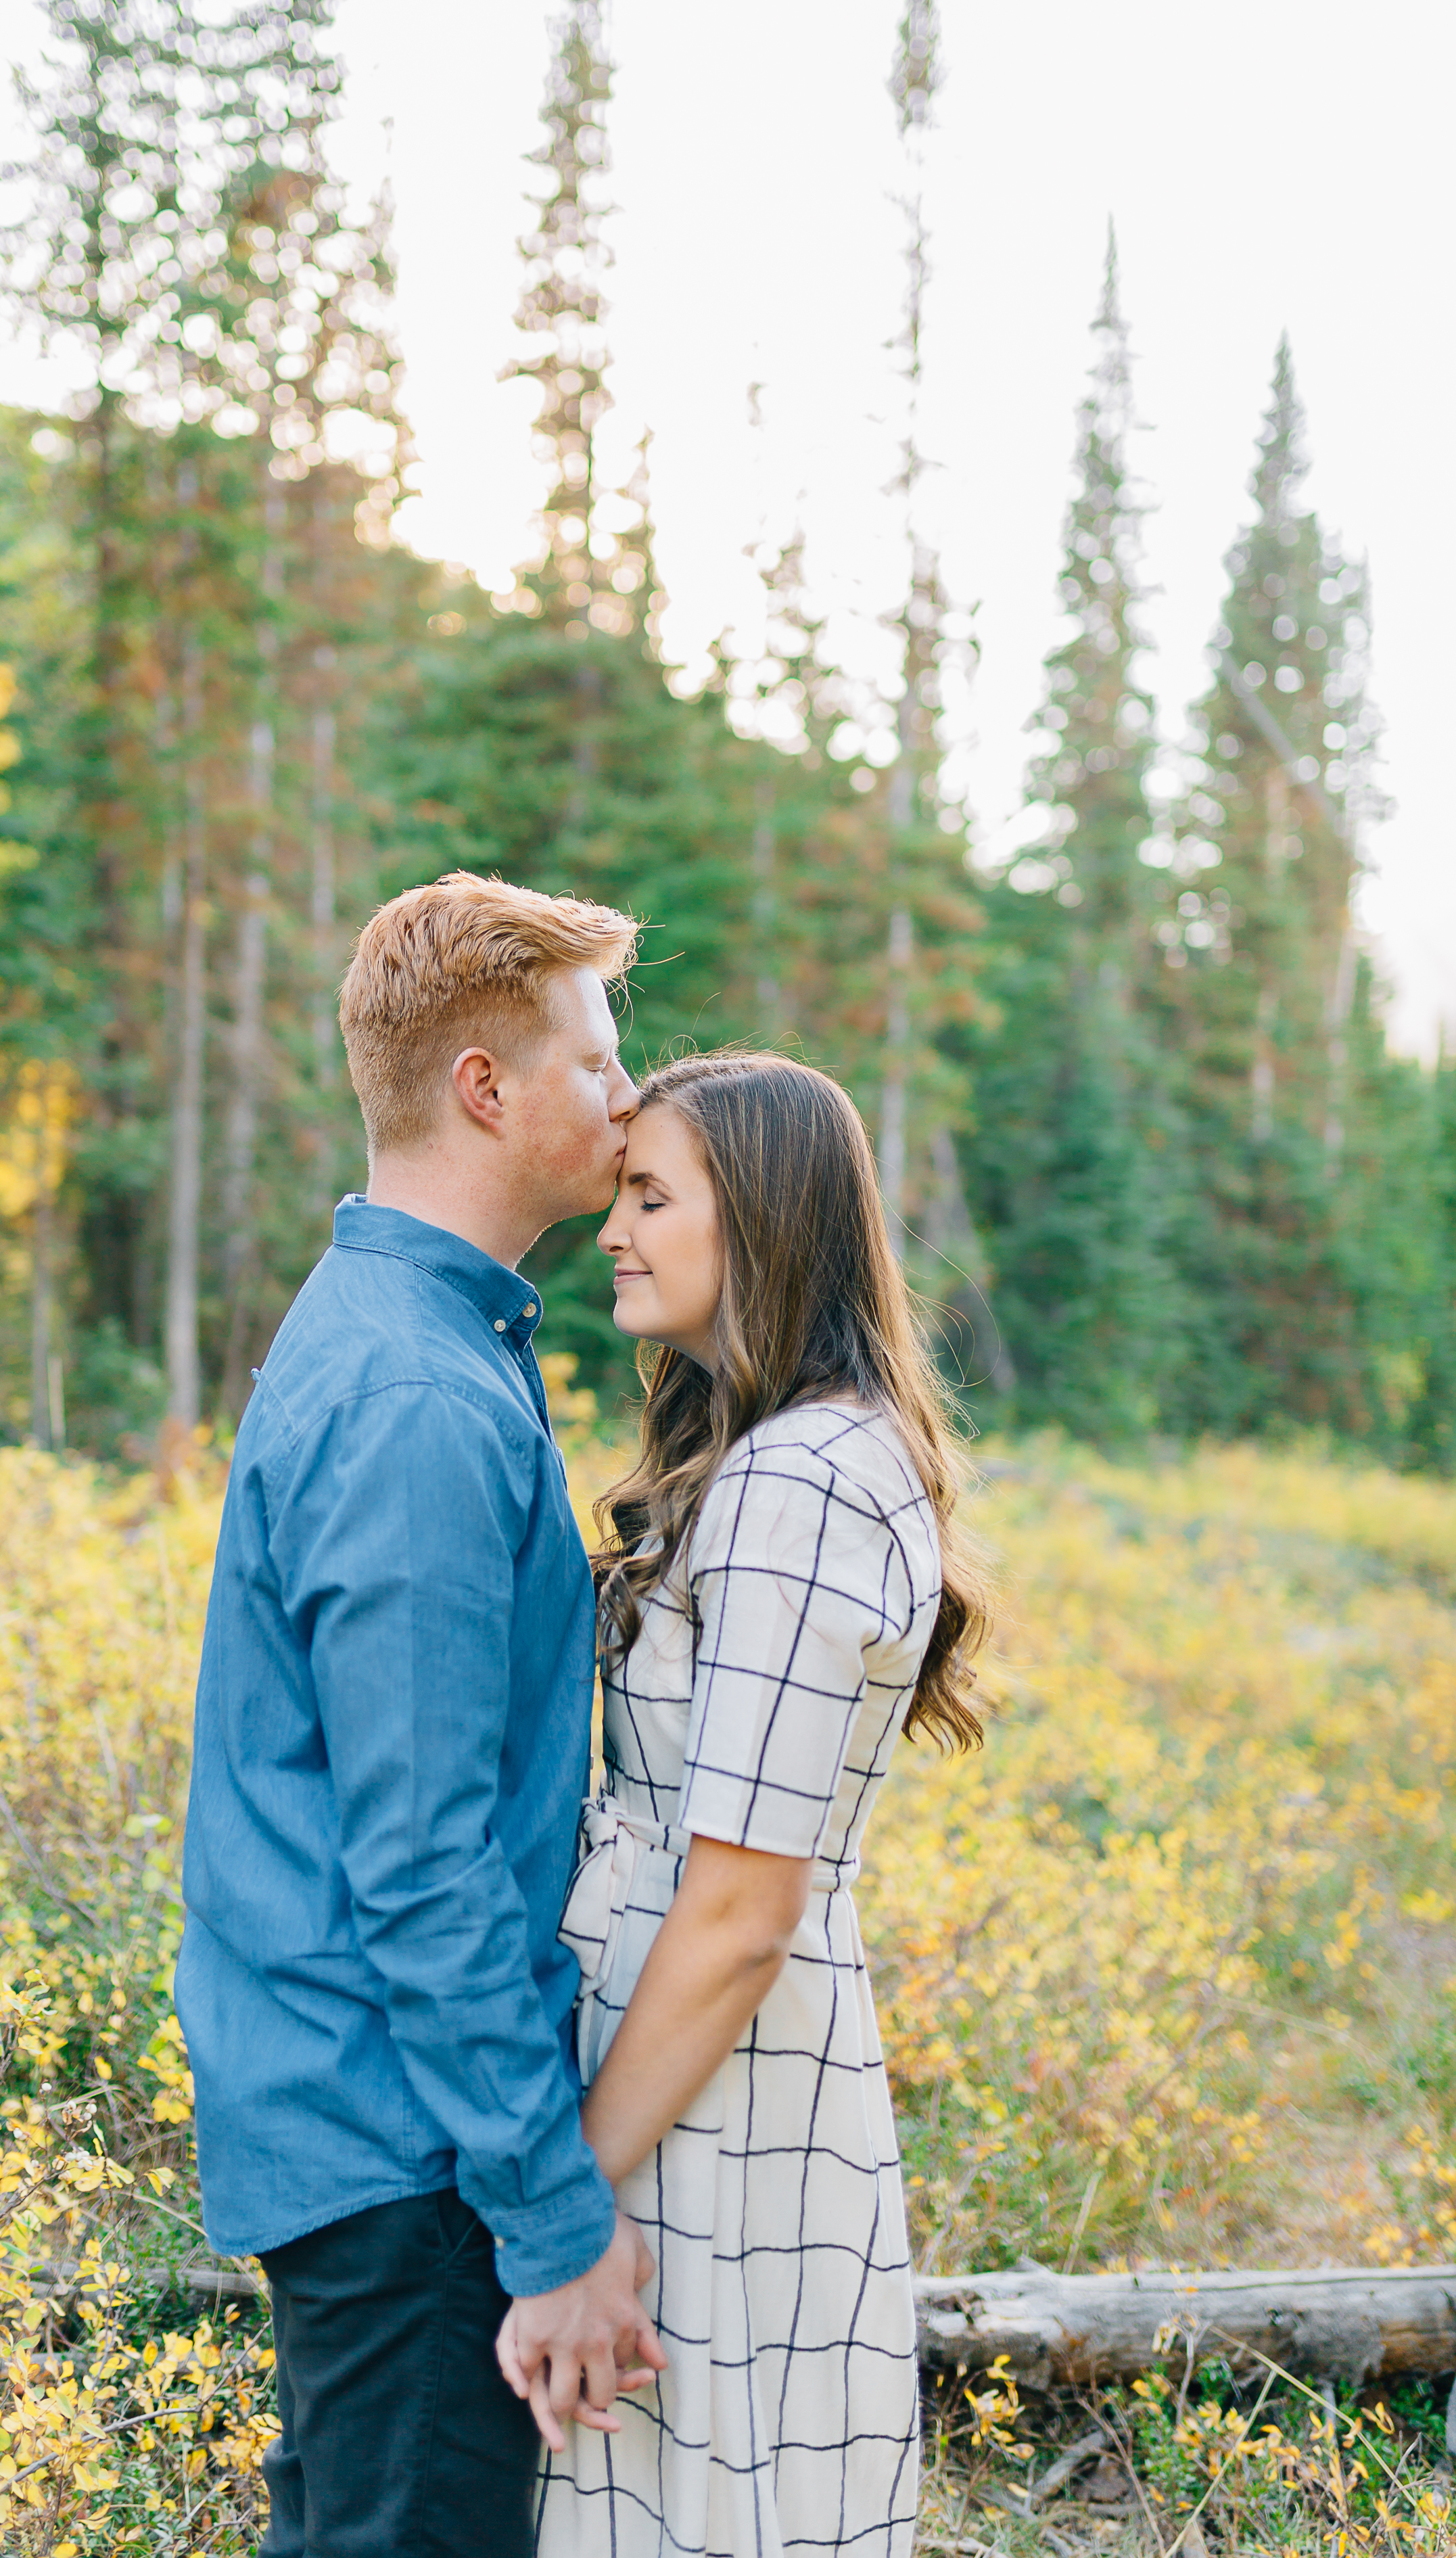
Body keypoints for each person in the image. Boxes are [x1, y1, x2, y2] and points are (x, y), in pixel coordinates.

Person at [175, 870, 667, 2558]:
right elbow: (421, 1862)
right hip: (405, 2154)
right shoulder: (410, 1396)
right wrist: (548, 2218)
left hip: (372, 2128)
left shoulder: (420, 1342)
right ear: (482, 1086)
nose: (627, 1093)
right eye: (597, 1060)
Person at [505, 1050, 989, 2557]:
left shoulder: (800, 1479)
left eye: (651, 1197)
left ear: (765, 1222)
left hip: (705, 2079)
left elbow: (736, 1910)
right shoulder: (783, 1456)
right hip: (702, 2056)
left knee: (695, 2496)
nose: (611, 1229)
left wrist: (565, 2214)